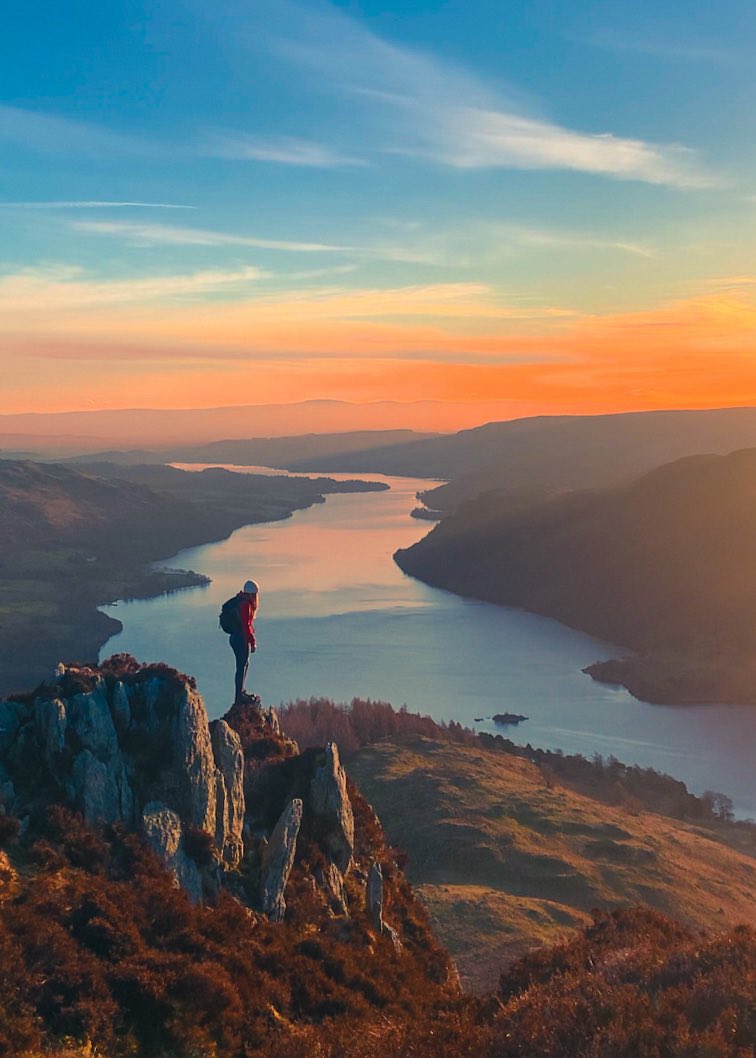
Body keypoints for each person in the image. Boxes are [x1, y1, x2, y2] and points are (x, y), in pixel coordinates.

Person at [229, 579, 259, 705]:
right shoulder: (245, 605)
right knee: (242, 666)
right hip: (240, 639)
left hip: (235, 637)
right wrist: (252, 642)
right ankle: (239, 696)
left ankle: (240, 693)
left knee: (242, 665)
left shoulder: (240, 601)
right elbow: (246, 626)